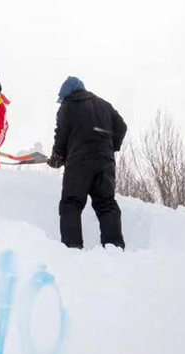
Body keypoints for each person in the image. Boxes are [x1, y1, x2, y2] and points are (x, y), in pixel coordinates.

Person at [47, 77, 127, 249]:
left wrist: (57, 156)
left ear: (67, 94)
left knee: (71, 203)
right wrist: (110, 147)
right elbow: (121, 126)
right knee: (106, 203)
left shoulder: (67, 106)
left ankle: (73, 247)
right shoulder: (104, 105)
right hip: (105, 162)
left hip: (79, 163)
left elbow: (61, 134)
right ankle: (115, 247)